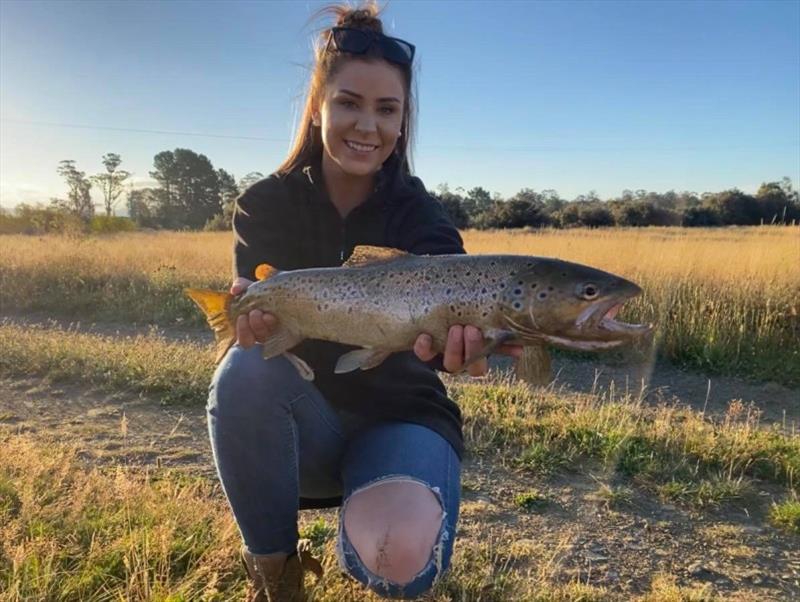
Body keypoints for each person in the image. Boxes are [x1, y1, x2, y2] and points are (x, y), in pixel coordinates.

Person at [207, 4, 521, 600]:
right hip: (305, 429)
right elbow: (262, 340)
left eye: (387, 109)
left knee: (393, 553)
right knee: (242, 370)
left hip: (402, 420)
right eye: (349, 102)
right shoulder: (263, 205)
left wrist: (459, 352)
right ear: (319, 106)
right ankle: (276, 578)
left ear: (403, 122)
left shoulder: (424, 219)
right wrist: (252, 320)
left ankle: (382, 524)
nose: (367, 126)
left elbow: (440, 355)